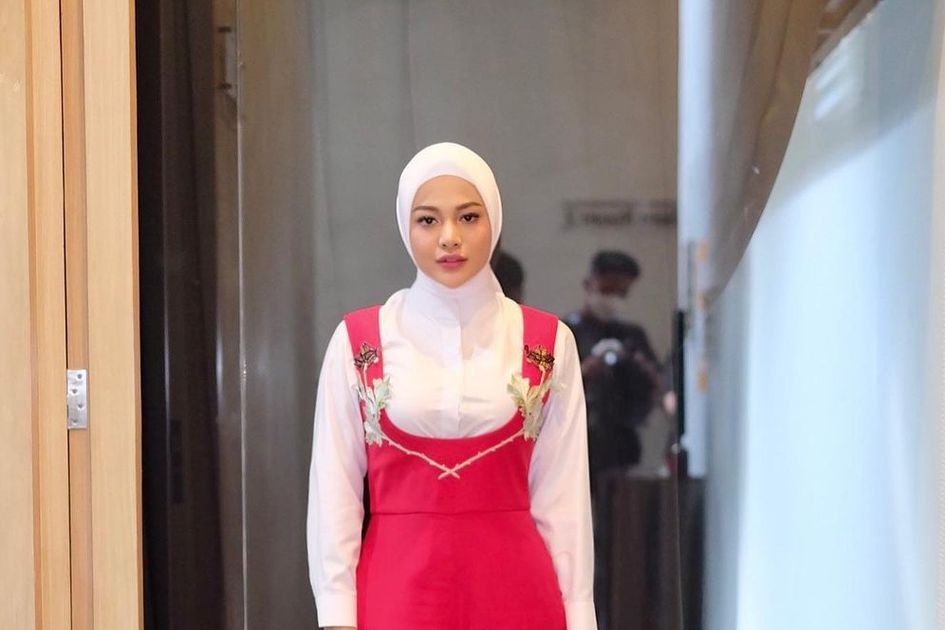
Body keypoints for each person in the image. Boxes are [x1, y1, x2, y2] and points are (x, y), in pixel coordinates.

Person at [307, 142, 597, 630]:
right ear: (405, 226)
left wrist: (580, 615)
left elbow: (564, 499)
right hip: (393, 597)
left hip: (519, 597)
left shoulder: (547, 343)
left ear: (494, 222)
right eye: (428, 220)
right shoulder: (359, 342)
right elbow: (334, 492)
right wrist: (336, 613)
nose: (449, 238)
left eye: (468, 217)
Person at [563, 251, 662, 492]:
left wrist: (637, 365)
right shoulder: (566, 332)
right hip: (576, 447)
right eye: (607, 290)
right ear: (589, 284)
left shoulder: (632, 336)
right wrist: (584, 372)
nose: (613, 299)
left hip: (621, 449)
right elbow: (546, 386)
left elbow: (655, 384)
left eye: (622, 293)